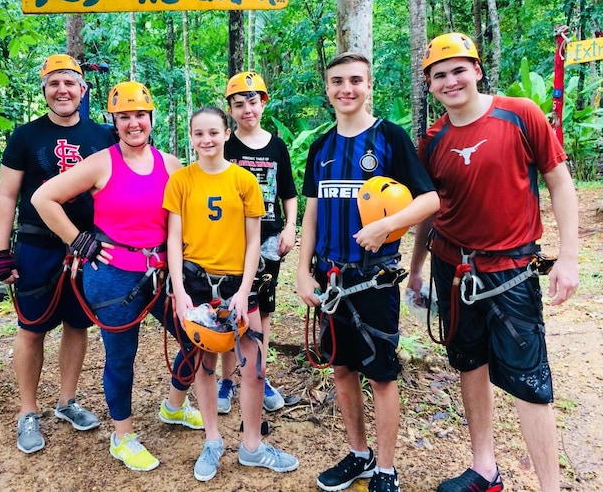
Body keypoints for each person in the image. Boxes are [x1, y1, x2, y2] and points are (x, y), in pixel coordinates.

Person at [407, 32, 579, 492]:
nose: (450, 81)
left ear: (477, 70)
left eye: (458, 69)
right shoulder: (434, 140)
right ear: (431, 84)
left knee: (529, 378)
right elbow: (431, 209)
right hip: (452, 268)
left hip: (510, 270)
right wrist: (417, 268)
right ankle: (485, 467)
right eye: (439, 75)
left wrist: (569, 256)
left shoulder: (519, 115)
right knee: (468, 363)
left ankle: (550, 486)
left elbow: (560, 183)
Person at [31, 81, 204, 472]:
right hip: (113, 277)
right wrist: (78, 241)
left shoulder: (172, 164)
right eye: (124, 116)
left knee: (198, 339)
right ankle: (122, 435)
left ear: (150, 117)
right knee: (121, 357)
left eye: (139, 115)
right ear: (114, 120)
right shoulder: (101, 162)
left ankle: (174, 405)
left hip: (162, 273)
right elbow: (44, 198)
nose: (133, 123)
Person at [296, 52, 440, 492]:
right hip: (330, 278)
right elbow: (311, 215)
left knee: (381, 374)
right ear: (327, 89)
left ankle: (386, 468)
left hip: (375, 278)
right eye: (337, 81)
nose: (346, 89)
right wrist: (302, 272)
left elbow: (429, 200)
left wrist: (387, 225)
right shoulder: (320, 147)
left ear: (369, 85)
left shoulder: (390, 139)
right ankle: (359, 455)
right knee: (341, 368)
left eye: (355, 80)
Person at [164, 105, 300, 482]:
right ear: (191, 138)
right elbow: (173, 239)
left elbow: (254, 241)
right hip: (195, 284)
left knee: (253, 369)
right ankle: (212, 439)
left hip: (239, 285)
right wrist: (178, 290)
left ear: (227, 133)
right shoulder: (181, 181)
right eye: (198, 134)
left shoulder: (244, 180)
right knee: (204, 365)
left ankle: (253, 445)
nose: (206, 140)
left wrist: (243, 291)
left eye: (213, 132)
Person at [0, 54, 115, 454]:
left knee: (77, 325)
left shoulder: (105, 135)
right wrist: (0, 251)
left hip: (88, 246)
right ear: (45, 90)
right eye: (53, 83)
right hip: (36, 246)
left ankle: (67, 401)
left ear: (83, 89)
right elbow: (7, 194)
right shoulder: (26, 136)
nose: (62, 90)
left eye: (69, 83)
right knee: (32, 328)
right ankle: (28, 411)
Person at [216, 71, 298, 415]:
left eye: (252, 102)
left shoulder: (277, 145)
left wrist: (291, 226)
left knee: (261, 311)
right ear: (230, 110)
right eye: (238, 104)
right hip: (230, 238)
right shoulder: (225, 145)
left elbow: (288, 192)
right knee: (228, 309)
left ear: (263, 103)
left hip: (267, 238)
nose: (246, 109)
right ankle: (228, 379)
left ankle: (260, 375)